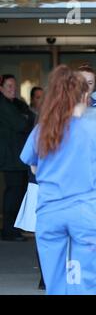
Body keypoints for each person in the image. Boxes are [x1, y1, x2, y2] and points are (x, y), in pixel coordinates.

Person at [19, 65, 96, 295]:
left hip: (50, 212)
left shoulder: (43, 128)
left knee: (55, 283)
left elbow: (33, 165)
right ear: (85, 95)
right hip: (86, 212)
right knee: (85, 284)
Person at [0, 74, 35, 241]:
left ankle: (14, 229)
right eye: (8, 86)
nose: (12, 89)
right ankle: (8, 230)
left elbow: (32, 119)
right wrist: (25, 119)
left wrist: (26, 119)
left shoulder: (17, 103)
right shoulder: (3, 104)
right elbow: (21, 124)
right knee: (13, 193)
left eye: (14, 86)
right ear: (1, 88)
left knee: (19, 192)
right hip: (10, 157)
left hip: (19, 156)